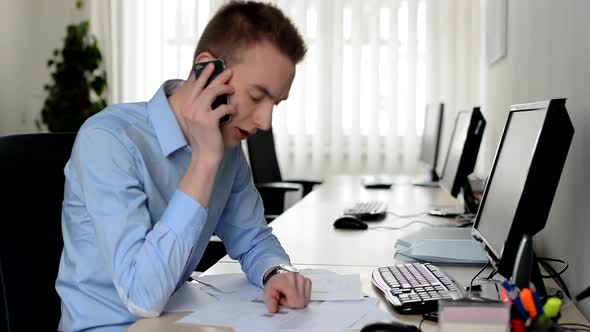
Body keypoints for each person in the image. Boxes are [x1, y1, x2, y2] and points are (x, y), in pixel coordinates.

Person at [55, 1, 312, 330]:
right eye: (257, 96)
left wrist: (276, 272)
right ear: (208, 71)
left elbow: (252, 237)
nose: (265, 120)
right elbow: (142, 296)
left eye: (275, 103)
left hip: (177, 320)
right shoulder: (109, 141)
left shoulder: (228, 148)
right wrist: (204, 161)